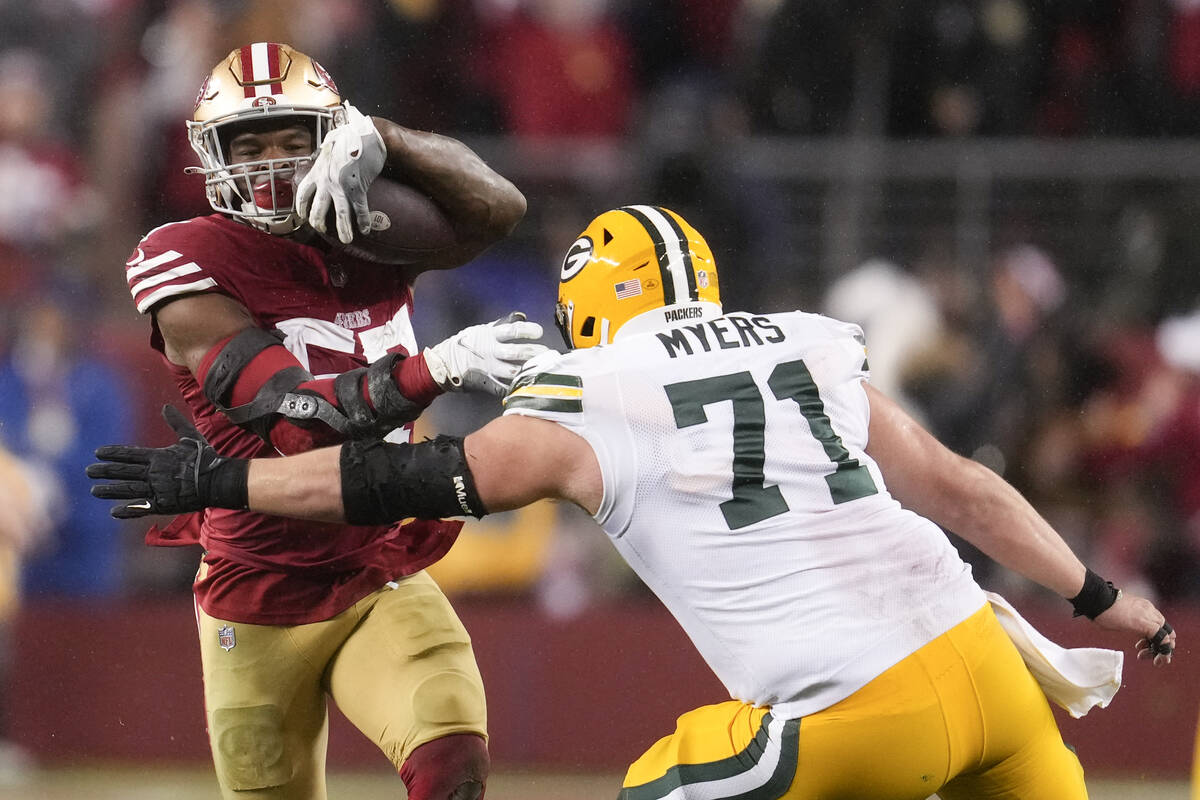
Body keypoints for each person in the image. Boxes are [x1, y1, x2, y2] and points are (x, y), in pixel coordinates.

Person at [91, 206, 1177, 799]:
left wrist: (221, 479)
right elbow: (961, 486)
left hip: (855, 718)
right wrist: (1094, 591)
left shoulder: (593, 386)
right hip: (995, 669)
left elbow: (392, 476)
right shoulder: (806, 338)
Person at [113, 42, 546, 800]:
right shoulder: (187, 262)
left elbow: (499, 207)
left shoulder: (365, 222)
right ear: (211, 158)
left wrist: (386, 136)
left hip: (380, 566)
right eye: (250, 145)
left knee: (453, 769)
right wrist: (435, 369)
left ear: (331, 140)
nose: (274, 163)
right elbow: (300, 425)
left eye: (293, 138)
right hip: (259, 592)